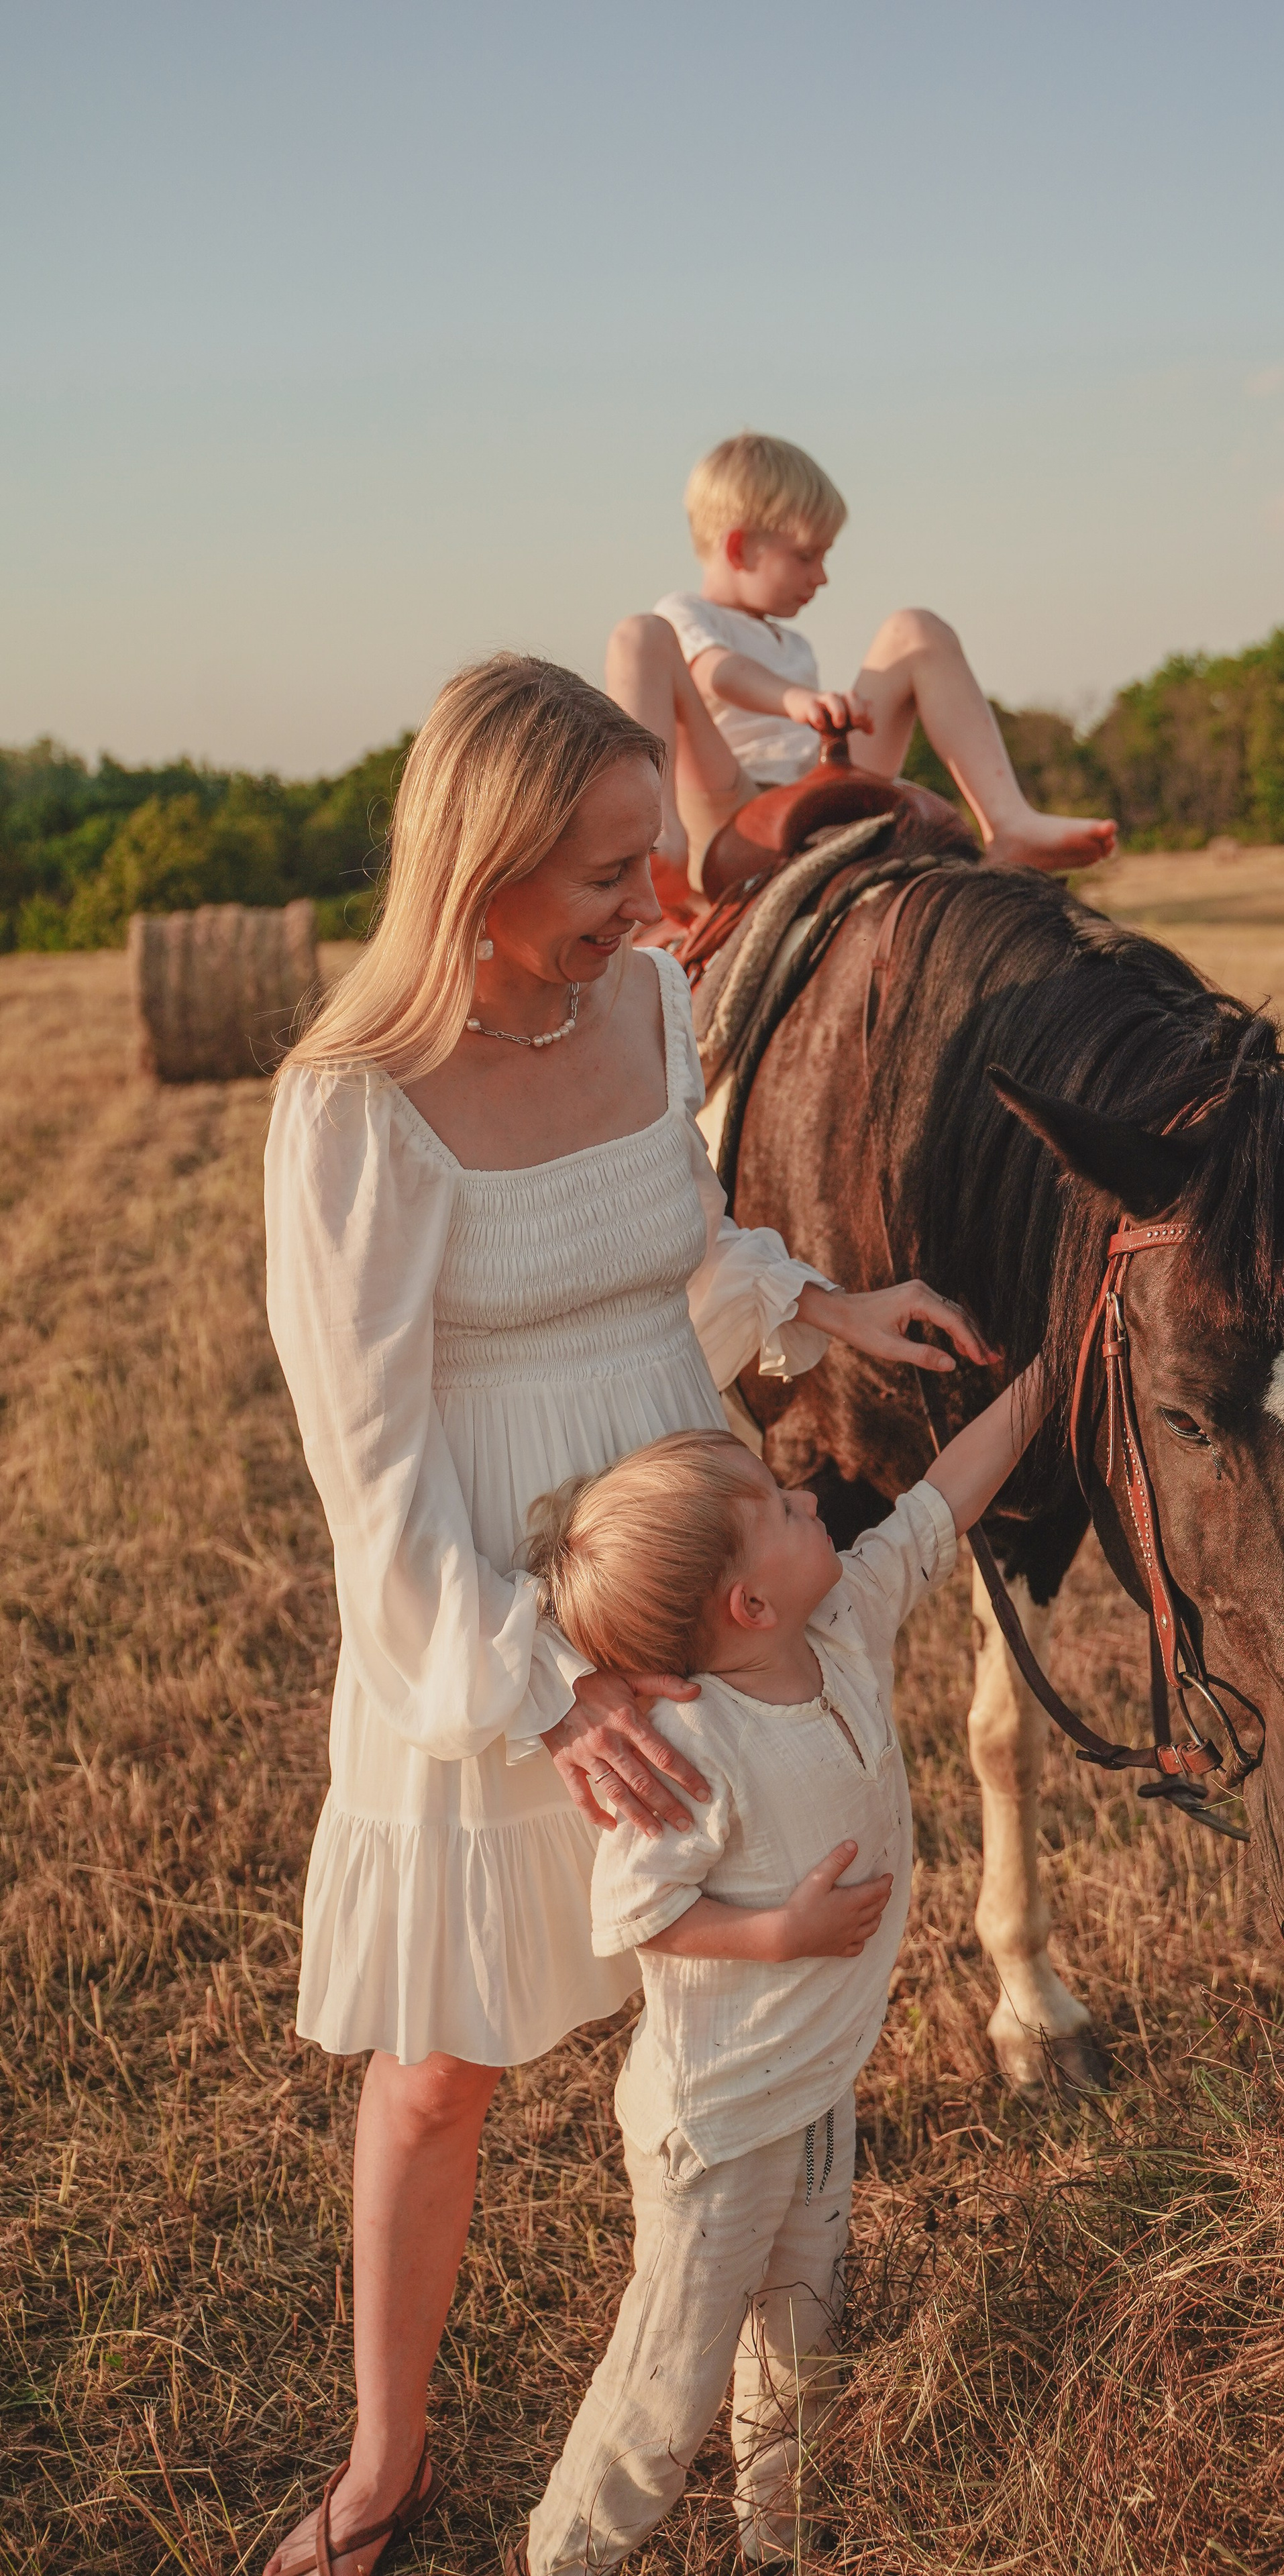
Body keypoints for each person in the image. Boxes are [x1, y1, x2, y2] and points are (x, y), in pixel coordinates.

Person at [259, 652, 993, 2576]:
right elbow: (373, 1466)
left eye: (650, 867)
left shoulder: (658, 1006)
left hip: (685, 1538)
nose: (650, 910)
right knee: (443, 2064)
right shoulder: (354, 1105)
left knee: (718, 1968)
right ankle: (386, 2458)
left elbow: (674, 1247)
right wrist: (539, 1687)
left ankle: (752, 2405)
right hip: (500, 1604)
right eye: (605, 875)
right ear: (482, 870)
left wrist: (823, 1305)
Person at [509, 1366, 1046, 2573]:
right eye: (782, 1507)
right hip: (718, 2132)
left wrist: (1050, 1374)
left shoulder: (842, 1620)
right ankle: (566, 2555)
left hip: (816, 2095)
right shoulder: (691, 1750)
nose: (810, 1496)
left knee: (802, 2347)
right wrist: (775, 1936)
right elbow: (640, 1917)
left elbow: (938, 1506)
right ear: (749, 1602)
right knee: (669, 2390)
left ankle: (780, 2542)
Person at [605, 430, 1116, 895]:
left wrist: (833, 719)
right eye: (806, 557)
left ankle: (1007, 820)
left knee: (916, 630)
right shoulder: (687, 613)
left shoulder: (793, 644)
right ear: (740, 548)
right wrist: (797, 700)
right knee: (639, 635)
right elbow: (717, 672)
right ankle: (655, 838)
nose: (822, 576)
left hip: (812, 789)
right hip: (729, 803)